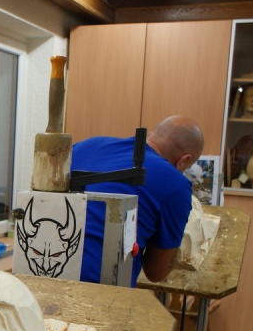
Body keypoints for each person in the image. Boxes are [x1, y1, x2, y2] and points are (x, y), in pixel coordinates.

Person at [71, 116, 204, 287]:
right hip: (100, 289)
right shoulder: (176, 184)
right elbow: (155, 272)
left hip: (44, 272)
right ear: (183, 160)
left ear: (151, 134)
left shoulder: (87, 145)